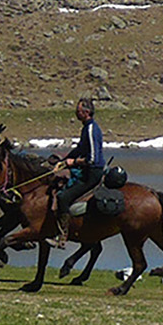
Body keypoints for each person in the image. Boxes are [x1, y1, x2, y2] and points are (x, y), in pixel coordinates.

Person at [52, 97, 106, 244]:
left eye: (78, 111)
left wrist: (73, 162)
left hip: (93, 174)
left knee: (63, 197)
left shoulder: (91, 129)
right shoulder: (86, 128)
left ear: (86, 112)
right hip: (88, 171)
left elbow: (92, 159)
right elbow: (80, 149)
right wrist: (63, 162)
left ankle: (62, 236)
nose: (76, 113)